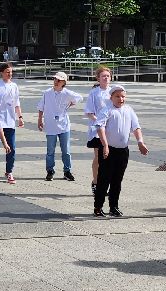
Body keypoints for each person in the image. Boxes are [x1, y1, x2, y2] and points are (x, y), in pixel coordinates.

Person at [94, 85, 148, 217]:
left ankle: (114, 206)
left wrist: (140, 142)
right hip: (108, 150)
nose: (121, 99)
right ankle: (98, 206)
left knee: (117, 180)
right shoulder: (107, 109)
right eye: (117, 96)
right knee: (104, 179)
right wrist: (105, 145)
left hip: (123, 151)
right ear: (111, 97)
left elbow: (136, 127)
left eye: (123, 96)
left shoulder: (129, 110)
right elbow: (100, 127)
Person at [36, 70, 83, 181]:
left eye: (59, 80)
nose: (56, 81)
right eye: (55, 79)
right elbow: (41, 106)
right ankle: (50, 170)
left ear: (64, 82)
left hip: (64, 125)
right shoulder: (47, 92)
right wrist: (39, 119)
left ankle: (67, 171)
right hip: (51, 125)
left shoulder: (67, 93)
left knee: (66, 150)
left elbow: (79, 97)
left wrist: (71, 103)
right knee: (50, 150)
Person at [0, 61, 24, 183]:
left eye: (11, 72)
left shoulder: (14, 86)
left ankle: (9, 171)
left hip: (10, 121)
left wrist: (20, 117)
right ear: (2, 73)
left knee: (11, 147)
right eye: (7, 72)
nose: (10, 74)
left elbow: (17, 103)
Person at [83, 67, 115, 193]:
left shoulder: (113, 92)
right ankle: (96, 182)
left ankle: (106, 182)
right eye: (103, 76)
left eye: (108, 76)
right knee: (99, 156)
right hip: (98, 129)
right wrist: (99, 122)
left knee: (109, 158)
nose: (106, 78)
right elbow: (89, 112)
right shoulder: (94, 93)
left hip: (111, 129)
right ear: (98, 78)